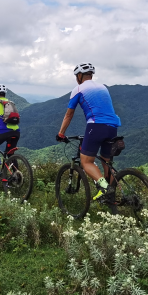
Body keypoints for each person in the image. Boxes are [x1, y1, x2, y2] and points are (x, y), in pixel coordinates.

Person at [56, 63, 121, 202]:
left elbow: (68, 115)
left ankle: (104, 187)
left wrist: (61, 133)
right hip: (113, 126)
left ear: (79, 76)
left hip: (96, 126)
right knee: (106, 162)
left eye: (76, 76)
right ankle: (111, 197)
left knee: (86, 162)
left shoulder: (78, 89)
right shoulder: (103, 87)